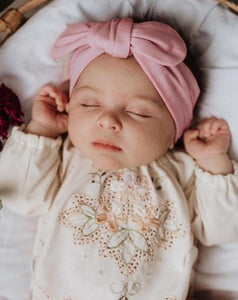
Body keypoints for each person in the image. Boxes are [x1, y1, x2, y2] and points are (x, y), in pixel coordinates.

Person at [0, 17, 238, 300]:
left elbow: (222, 230)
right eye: (89, 104)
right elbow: (19, 195)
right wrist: (43, 129)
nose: (107, 120)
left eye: (138, 112)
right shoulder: (64, 157)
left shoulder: (182, 170)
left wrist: (213, 162)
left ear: (174, 130)